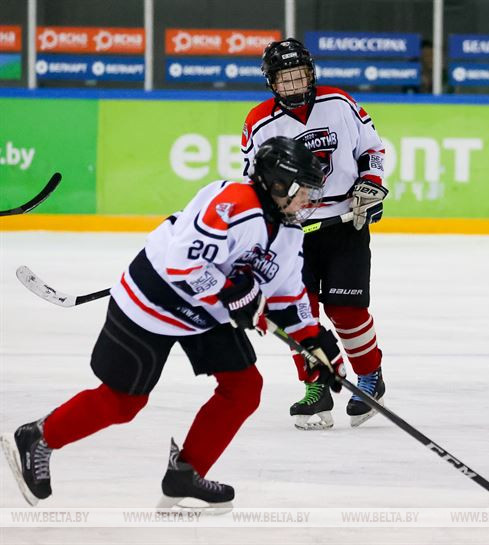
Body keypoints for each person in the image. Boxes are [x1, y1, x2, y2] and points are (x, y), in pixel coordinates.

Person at [1, 137, 345, 509]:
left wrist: (314, 341)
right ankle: (38, 437)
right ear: (279, 184)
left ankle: (185, 473)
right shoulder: (234, 202)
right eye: (304, 190)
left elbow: (288, 295)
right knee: (123, 403)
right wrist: (232, 292)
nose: (309, 201)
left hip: (205, 313)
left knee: (244, 388)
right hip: (153, 299)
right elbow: (183, 263)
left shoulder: (289, 233)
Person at [241, 38, 389, 430]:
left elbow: (372, 150)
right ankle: (316, 387)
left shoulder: (339, 102)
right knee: (299, 312)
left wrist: (371, 183)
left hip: (346, 222)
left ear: (311, 73)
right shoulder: (259, 121)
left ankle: (369, 377)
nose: (293, 84)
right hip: (292, 233)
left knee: (346, 310)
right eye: (284, 78)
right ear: (271, 83)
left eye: (299, 75)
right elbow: (254, 181)